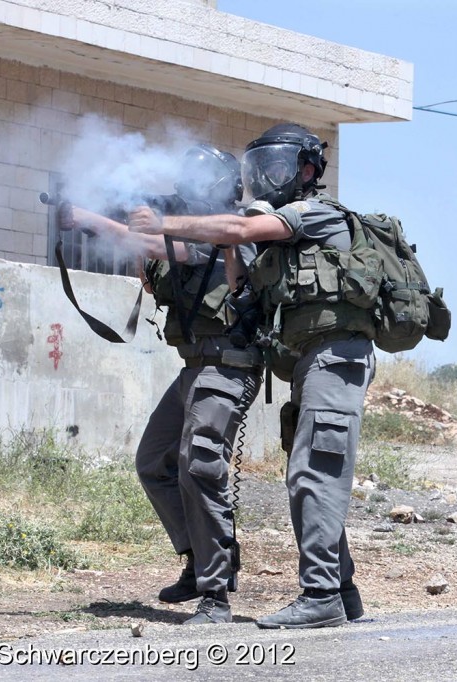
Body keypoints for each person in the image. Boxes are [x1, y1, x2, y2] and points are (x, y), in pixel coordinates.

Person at [129, 123, 370, 629]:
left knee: (312, 471)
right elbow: (240, 284)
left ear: (308, 170)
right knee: (311, 469)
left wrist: (173, 223)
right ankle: (341, 591)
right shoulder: (274, 228)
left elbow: (236, 232)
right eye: (261, 169)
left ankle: (321, 594)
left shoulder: (314, 213)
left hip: (335, 356)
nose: (267, 179)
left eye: (278, 168)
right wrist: (231, 239)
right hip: (307, 358)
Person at [61, 144, 264, 626]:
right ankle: (198, 561)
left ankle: (216, 594)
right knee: (153, 462)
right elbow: (153, 270)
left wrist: (91, 217)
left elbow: (160, 245)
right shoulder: (184, 233)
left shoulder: (231, 232)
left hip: (228, 366)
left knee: (200, 467)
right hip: (194, 366)